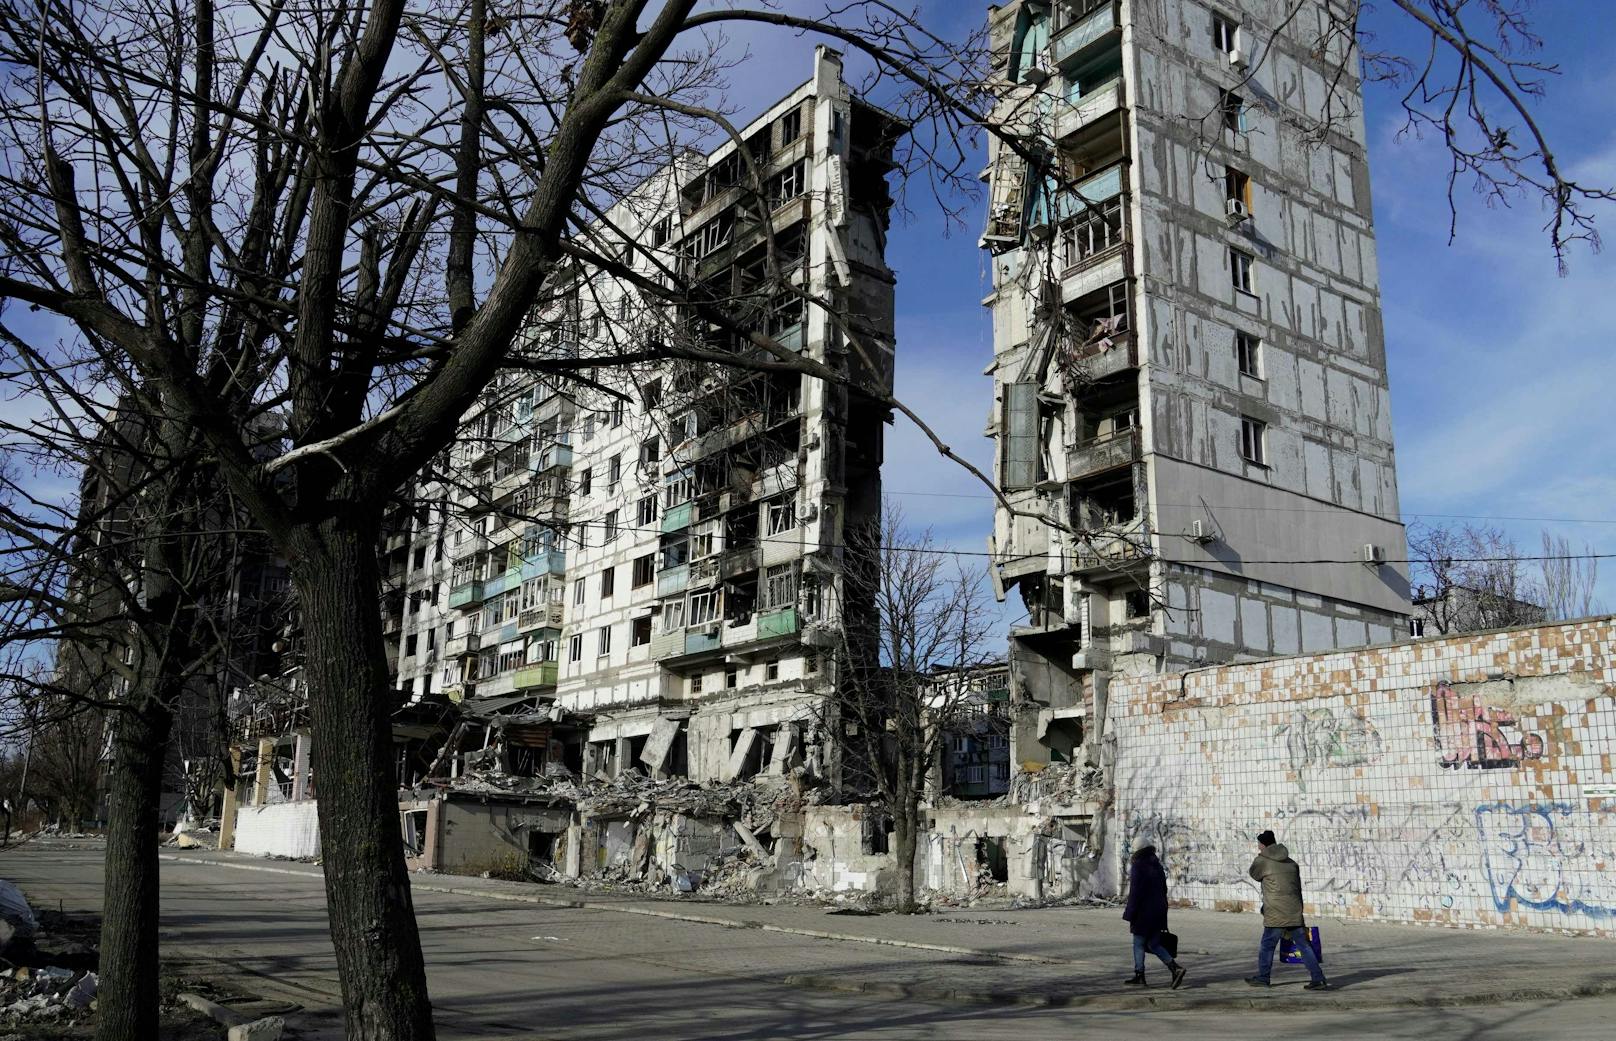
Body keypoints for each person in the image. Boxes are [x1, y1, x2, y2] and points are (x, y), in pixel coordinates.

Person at [1246, 829, 1328, 989]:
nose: (1258, 847)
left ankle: (1263, 978)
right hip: (1293, 910)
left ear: (1263, 844)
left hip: (1276, 912)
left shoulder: (1263, 861)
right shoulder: (1291, 862)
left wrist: (1260, 857)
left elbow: (1254, 874)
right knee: (1304, 945)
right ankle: (1318, 978)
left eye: (1259, 844)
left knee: (1267, 945)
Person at [1121, 844, 1187, 988]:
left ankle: (1140, 975)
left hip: (1143, 912)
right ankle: (1175, 968)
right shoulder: (1157, 865)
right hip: (1159, 910)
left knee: (1138, 943)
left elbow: (1135, 893)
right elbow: (1164, 889)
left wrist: (1129, 913)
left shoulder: (1138, 866)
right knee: (1153, 943)